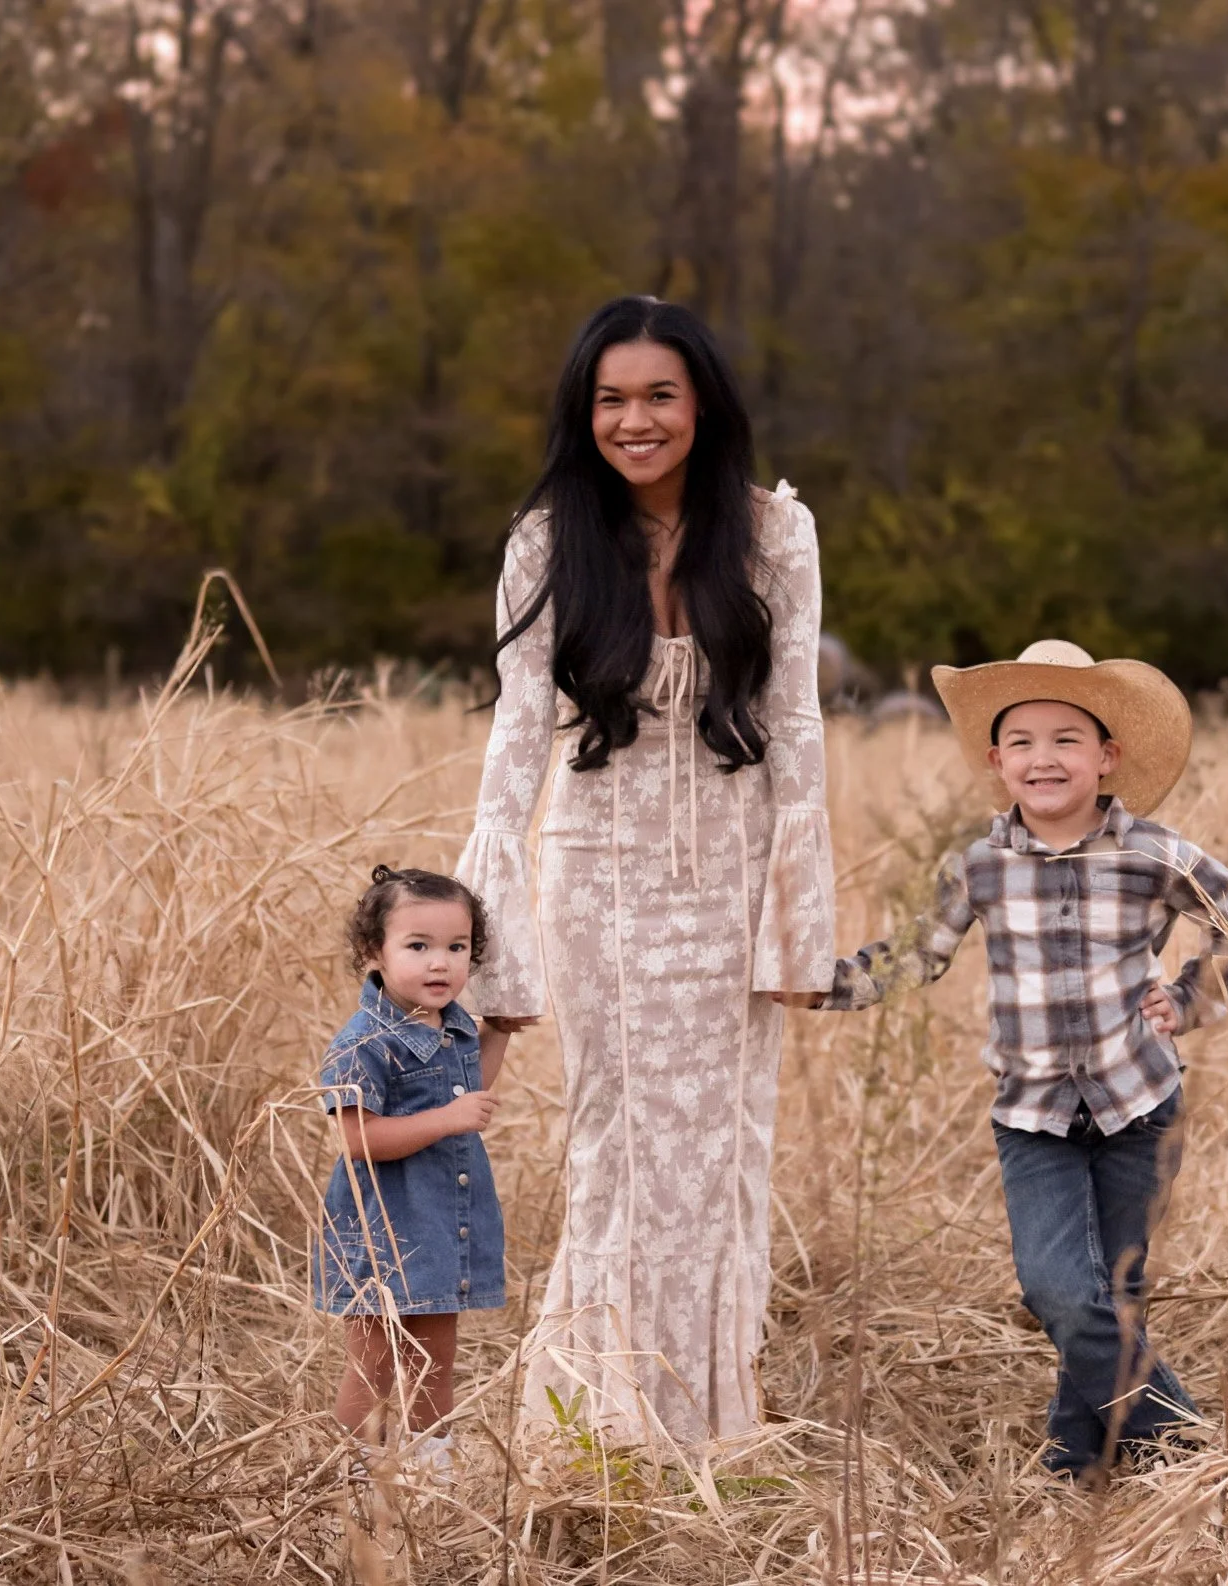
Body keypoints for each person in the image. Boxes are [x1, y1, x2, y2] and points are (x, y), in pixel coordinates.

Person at [457, 296, 835, 1447]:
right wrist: (488, 915)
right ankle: (598, 1423)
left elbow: (796, 723)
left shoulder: (775, 534)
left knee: (720, 1148)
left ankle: (711, 1425)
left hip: (731, 872)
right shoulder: (547, 538)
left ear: (702, 402)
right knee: (614, 1141)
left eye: (659, 394)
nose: (636, 420)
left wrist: (797, 919)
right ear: (586, 411)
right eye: (611, 398)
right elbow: (519, 727)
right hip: (596, 874)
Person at [815, 639, 1228, 1481]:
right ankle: (1179, 1439)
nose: (1043, 758)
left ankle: (1077, 1460)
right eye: (1021, 742)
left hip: (1139, 1105)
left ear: (1106, 757)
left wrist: (1191, 997)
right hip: (1033, 1117)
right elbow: (916, 954)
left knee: (1113, 1292)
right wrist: (819, 985)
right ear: (997, 763)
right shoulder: (979, 866)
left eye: (1066, 739)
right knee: (1058, 1291)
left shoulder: (1151, 853)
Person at [316, 865, 512, 1474]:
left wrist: (499, 1033)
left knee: (435, 1356)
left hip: (441, 1224)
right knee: (375, 1360)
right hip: (386, 1230)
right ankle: (357, 1470)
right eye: (418, 946)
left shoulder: (453, 1025)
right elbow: (359, 1141)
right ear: (374, 952)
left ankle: (433, 1466)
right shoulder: (364, 1043)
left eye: (457, 947)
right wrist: (449, 1118)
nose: (440, 963)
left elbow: (468, 1088)